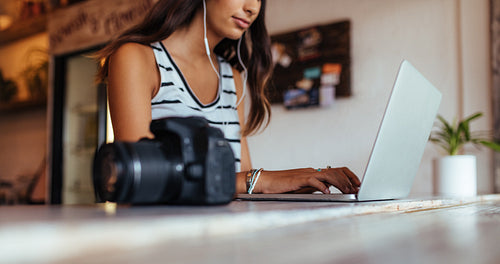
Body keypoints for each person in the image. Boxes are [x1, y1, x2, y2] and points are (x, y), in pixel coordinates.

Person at [96, 0, 361, 195]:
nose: (253, 8)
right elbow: (138, 176)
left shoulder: (232, 76)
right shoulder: (137, 58)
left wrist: (305, 180)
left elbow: (243, 179)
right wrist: (261, 180)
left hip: (226, 240)